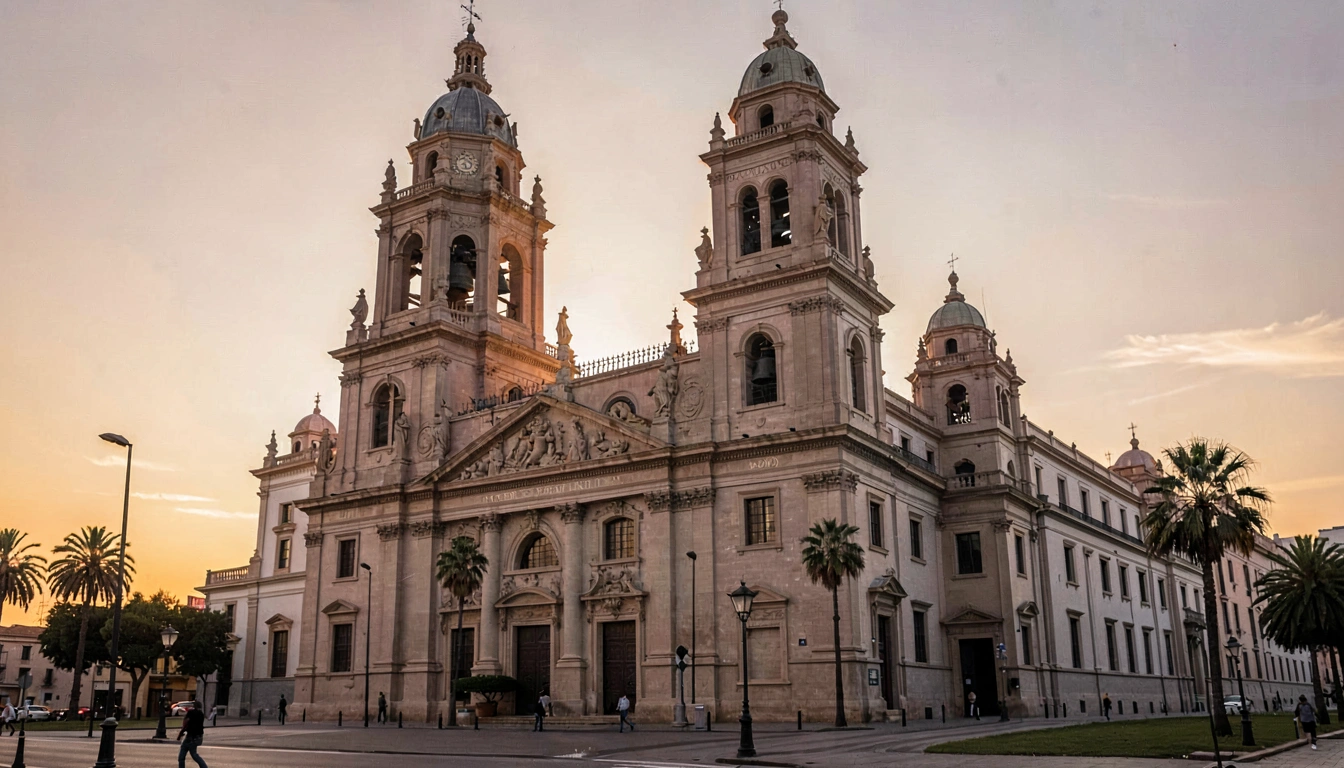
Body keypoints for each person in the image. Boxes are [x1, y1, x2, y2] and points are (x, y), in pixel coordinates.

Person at [176, 700, 209, 768]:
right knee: (194, 754)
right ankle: (204, 767)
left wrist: (180, 733)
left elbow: (186, 723)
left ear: (194, 706)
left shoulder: (191, 712)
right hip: (198, 737)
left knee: (182, 755)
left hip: (190, 736)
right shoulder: (201, 714)